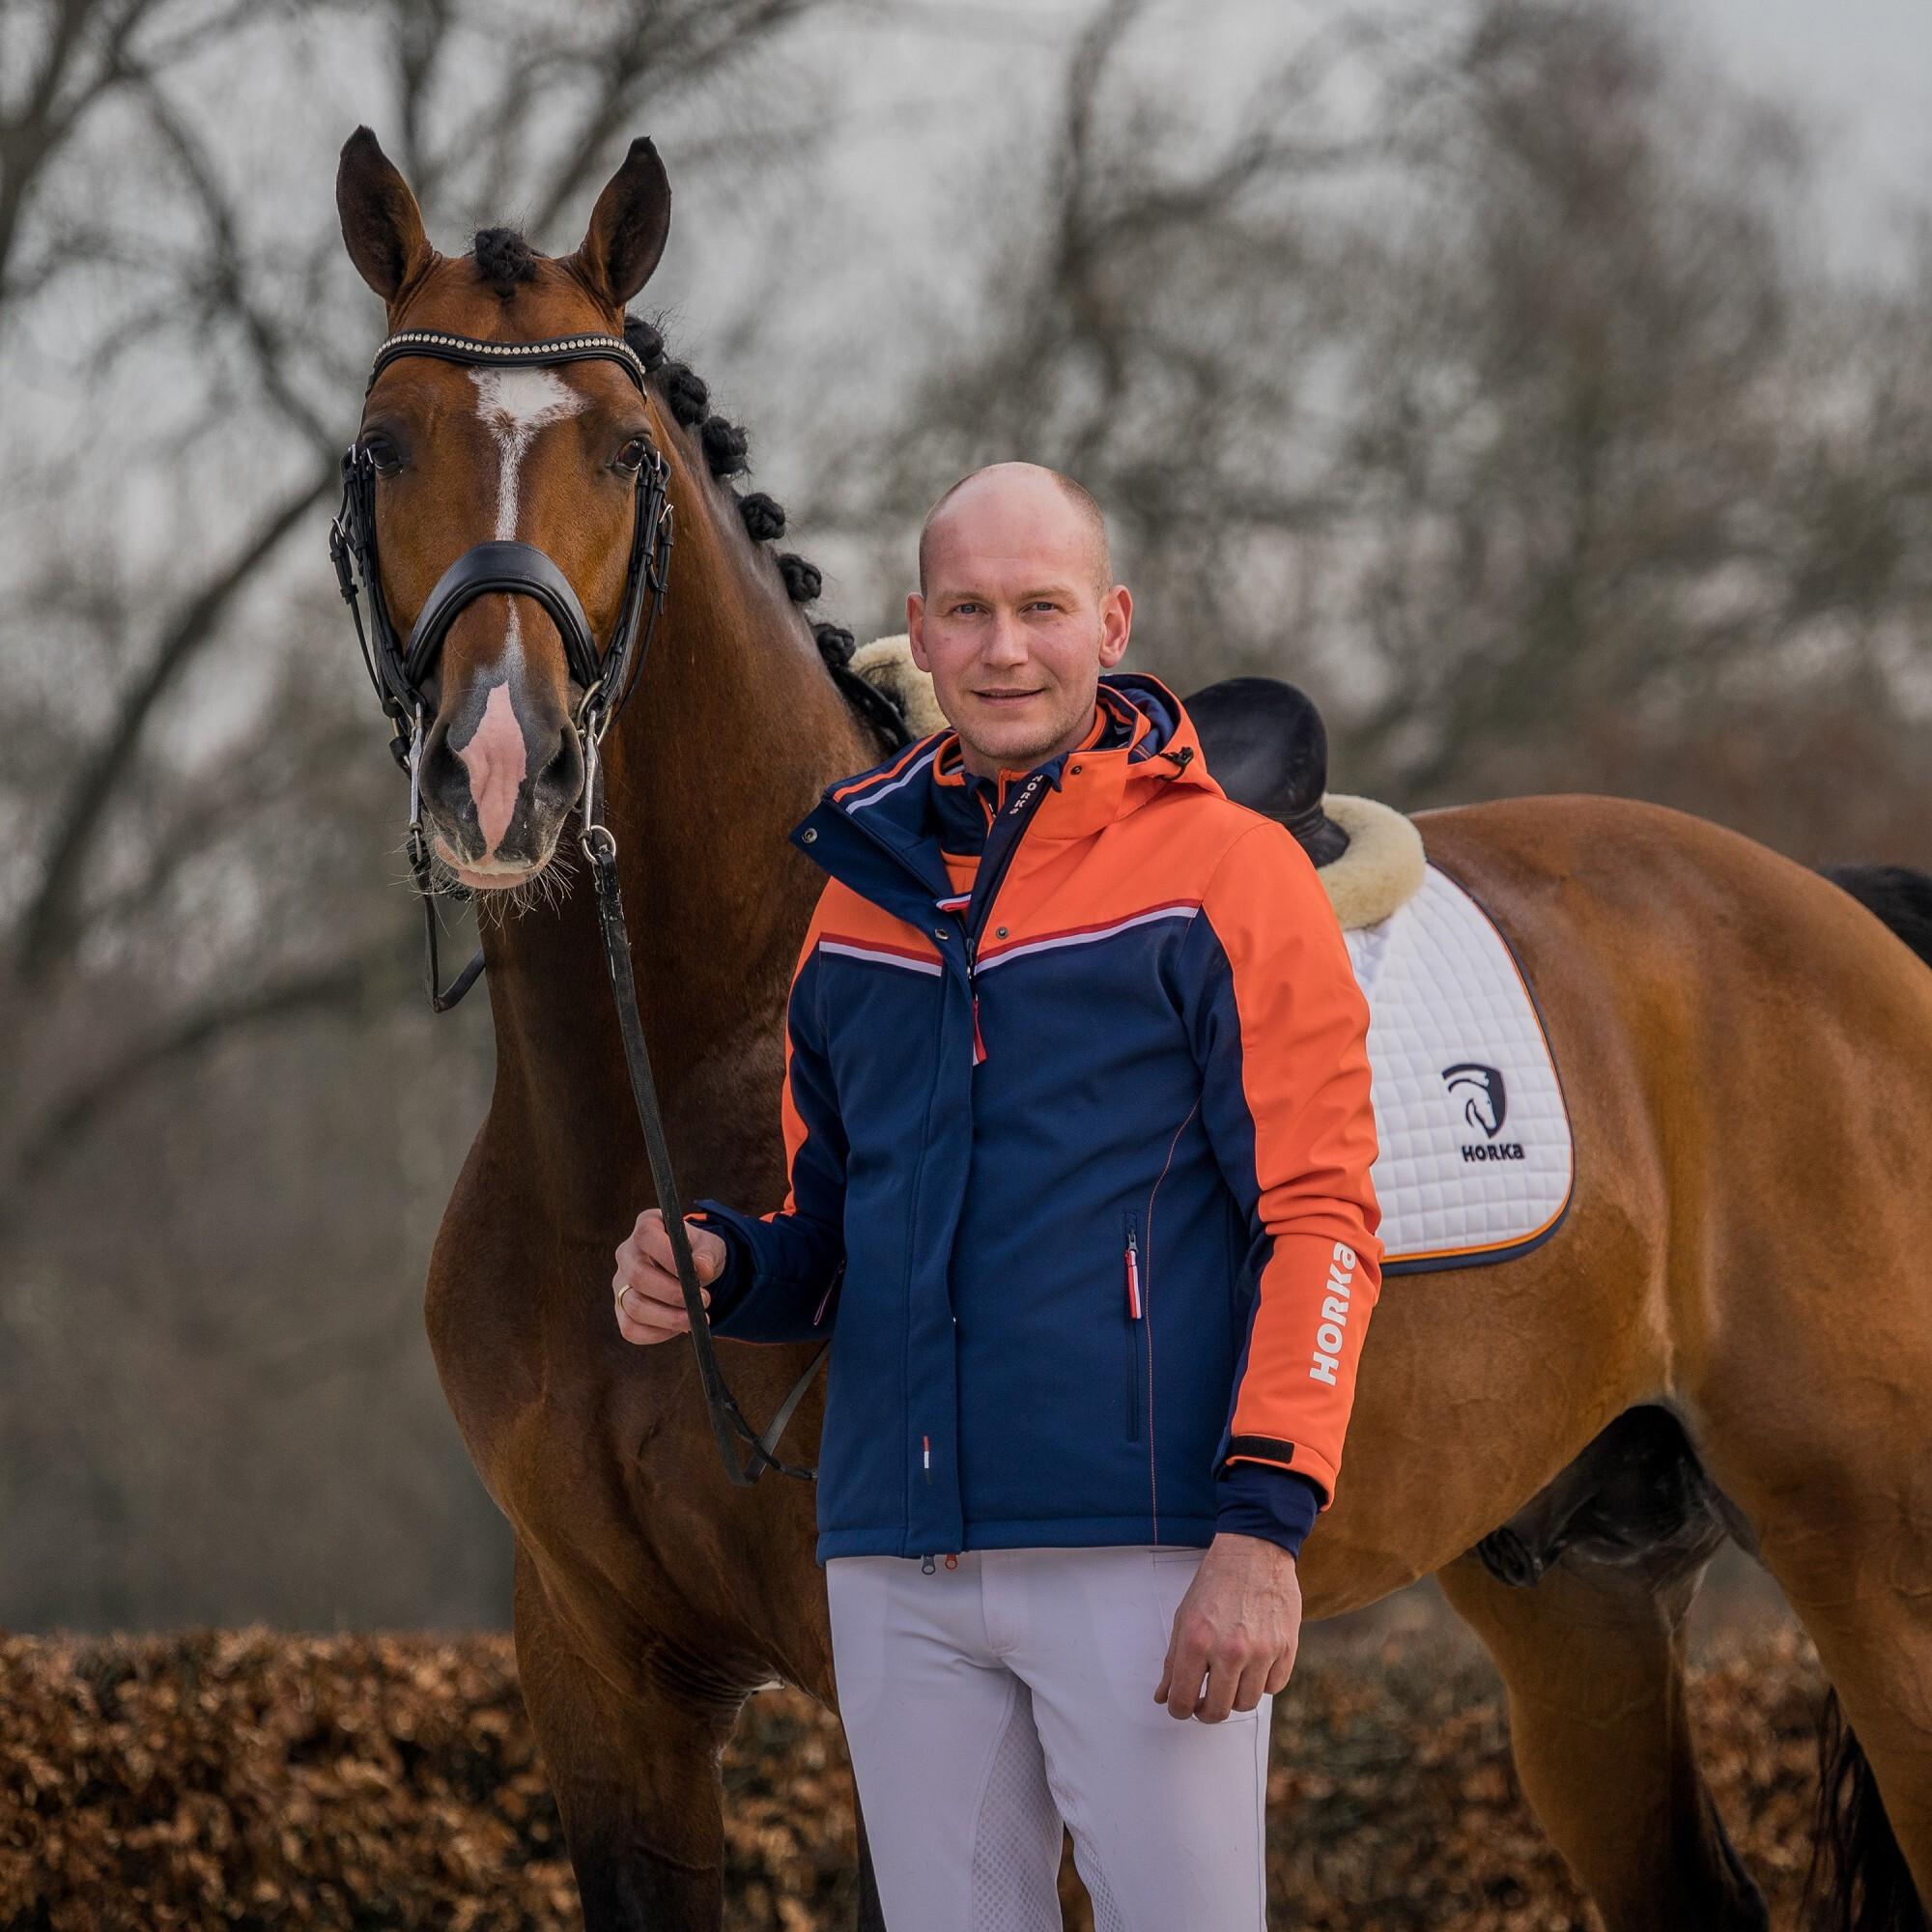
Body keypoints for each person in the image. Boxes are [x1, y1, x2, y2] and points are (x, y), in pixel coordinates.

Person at [612, 461, 1382, 1929]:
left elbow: (1325, 1220)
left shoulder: (1229, 873)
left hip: (1143, 1553)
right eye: (968, 612)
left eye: (1041, 608)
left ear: (1111, 620)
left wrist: (1261, 1532)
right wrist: (725, 1263)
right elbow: (831, 1232)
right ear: (920, 623)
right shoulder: (860, 896)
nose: (1005, 648)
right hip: (898, 1565)